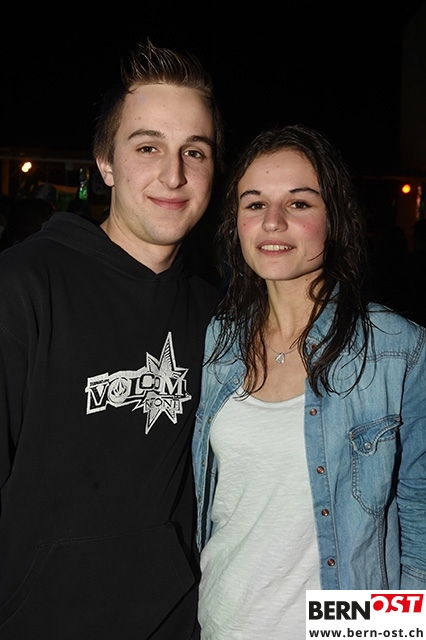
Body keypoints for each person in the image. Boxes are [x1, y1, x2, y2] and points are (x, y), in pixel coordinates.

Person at [0, 39, 224, 640]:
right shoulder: (23, 286)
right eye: (148, 147)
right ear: (105, 162)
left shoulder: (218, 315)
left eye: (194, 151)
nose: (173, 174)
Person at [192, 124, 426, 639]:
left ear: (334, 218)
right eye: (255, 204)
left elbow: (420, 519)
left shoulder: (396, 348)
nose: (272, 221)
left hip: (340, 629)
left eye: (298, 203)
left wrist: (395, 631)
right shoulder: (218, 340)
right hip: (224, 621)